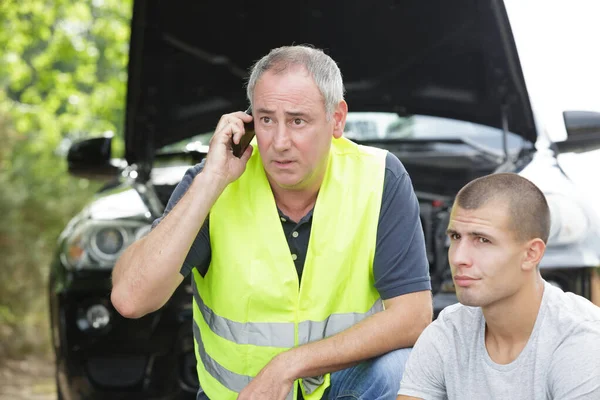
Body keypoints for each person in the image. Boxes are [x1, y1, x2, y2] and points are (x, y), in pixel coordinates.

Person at [111, 44, 433, 400]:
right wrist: (210, 181)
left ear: (337, 119)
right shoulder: (211, 184)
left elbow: (414, 316)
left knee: (400, 371)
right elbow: (131, 299)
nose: (279, 142)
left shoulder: (379, 176)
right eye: (266, 119)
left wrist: (289, 365)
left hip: (339, 390)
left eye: (297, 120)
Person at [397, 173, 600, 400]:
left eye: (483, 240)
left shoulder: (582, 340)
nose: (458, 257)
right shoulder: (449, 331)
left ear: (531, 254)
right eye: (455, 236)